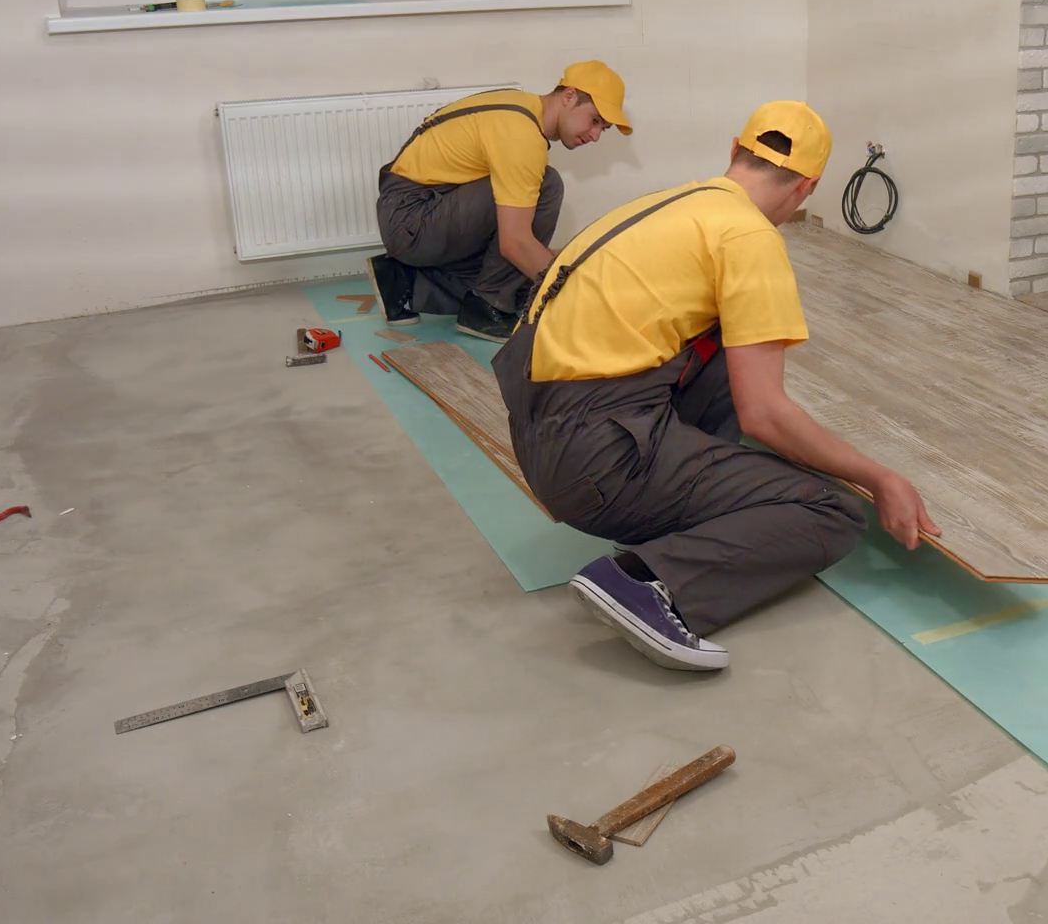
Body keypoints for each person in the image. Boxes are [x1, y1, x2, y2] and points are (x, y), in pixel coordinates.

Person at [493, 101, 941, 671]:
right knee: (829, 512)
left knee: (731, 343)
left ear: (735, 151)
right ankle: (645, 581)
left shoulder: (664, 204)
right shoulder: (748, 237)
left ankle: (679, 511)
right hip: (596, 462)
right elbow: (764, 416)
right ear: (808, 186)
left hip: (540, 433)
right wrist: (880, 478)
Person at [364, 61, 631, 341]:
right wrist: (577, 297)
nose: (596, 135)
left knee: (519, 285)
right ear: (569, 96)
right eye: (595, 120)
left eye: (605, 128)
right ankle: (487, 306)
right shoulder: (521, 136)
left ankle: (403, 281)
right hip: (412, 216)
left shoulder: (520, 108)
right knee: (545, 189)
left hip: (415, 210)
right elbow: (514, 242)